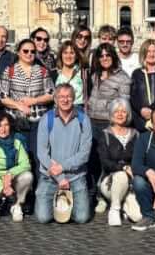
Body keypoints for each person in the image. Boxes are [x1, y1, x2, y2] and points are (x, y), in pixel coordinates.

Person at [35, 84, 93, 224]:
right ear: (55, 99)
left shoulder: (83, 120)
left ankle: (67, 204)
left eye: (68, 97)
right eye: (61, 97)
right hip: (50, 176)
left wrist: (62, 167)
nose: (65, 100)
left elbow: (84, 154)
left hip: (75, 176)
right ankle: (58, 203)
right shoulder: (46, 119)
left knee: (82, 218)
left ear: (74, 98)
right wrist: (60, 177)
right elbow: (42, 153)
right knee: (43, 218)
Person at [0, 38, 55, 156]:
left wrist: (34, 100)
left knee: (38, 153)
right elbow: (2, 95)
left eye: (32, 51)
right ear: (18, 52)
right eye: (25, 51)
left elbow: (51, 94)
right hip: (16, 120)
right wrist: (18, 105)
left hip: (38, 120)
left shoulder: (42, 71)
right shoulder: (10, 71)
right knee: (19, 154)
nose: (29, 54)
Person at [0, 111, 33, 222]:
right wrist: (2, 186)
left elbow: (25, 164)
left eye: (6, 125)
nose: (3, 129)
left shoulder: (17, 140)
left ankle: (17, 205)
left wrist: (10, 174)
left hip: (13, 177)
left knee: (28, 176)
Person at [95, 99, 141, 226]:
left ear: (128, 114)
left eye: (123, 111)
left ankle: (122, 205)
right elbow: (105, 162)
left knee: (137, 216)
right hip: (109, 182)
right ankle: (114, 210)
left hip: (130, 184)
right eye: (116, 111)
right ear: (111, 114)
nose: (120, 114)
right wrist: (124, 167)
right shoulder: (105, 135)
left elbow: (140, 159)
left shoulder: (136, 135)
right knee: (121, 175)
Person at [86, 43, 131, 133]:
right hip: (91, 120)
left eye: (107, 55)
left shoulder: (122, 77)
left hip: (109, 122)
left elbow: (123, 105)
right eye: (101, 56)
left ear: (113, 56)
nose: (105, 58)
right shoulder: (95, 75)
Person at [56, 40, 89, 110]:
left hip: (79, 110)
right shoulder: (55, 74)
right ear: (61, 55)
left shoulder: (83, 73)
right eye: (65, 53)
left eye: (72, 53)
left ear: (76, 56)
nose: (68, 56)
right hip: (60, 111)